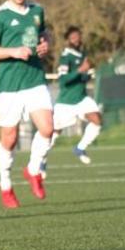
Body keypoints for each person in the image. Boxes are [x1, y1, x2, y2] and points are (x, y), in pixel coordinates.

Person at [0, 0, 53, 209]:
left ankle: (33, 170)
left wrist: (45, 46)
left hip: (34, 79)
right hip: (10, 84)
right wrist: (13, 51)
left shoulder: (37, 11)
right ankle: (5, 185)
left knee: (47, 128)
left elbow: (44, 34)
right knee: (9, 139)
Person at [53, 26, 101, 164]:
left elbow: (82, 77)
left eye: (77, 35)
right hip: (66, 101)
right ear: (68, 39)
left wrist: (87, 74)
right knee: (54, 132)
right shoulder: (66, 56)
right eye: (72, 36)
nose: (76, 38)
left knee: (97, 119)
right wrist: (80, 70)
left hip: (81, 98)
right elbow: (63, 80)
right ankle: (41, 161)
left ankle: (80, 148)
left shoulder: (82, 54)